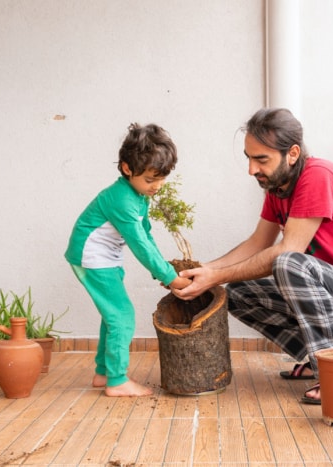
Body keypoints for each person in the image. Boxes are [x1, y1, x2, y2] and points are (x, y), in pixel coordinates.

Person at [173, 108, 333, 404]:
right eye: (249, 158)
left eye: (261, 159)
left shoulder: (318, 176)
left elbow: (286, 251)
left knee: (289, 263)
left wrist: (213, 277)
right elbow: (257, 244)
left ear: (292, 153)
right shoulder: (277, 189)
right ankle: (318, 354)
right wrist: (203, 269)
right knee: (238, 293)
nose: (252, 169)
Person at [65, 122, 191, 397]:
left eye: (161, 179)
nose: (157, 186)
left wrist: (165, 270)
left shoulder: (138, 194)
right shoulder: (121, 199)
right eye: (150, 180)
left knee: (112, 314)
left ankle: (104, 373)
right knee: (122, 315)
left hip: (105, 258)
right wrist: (170, 277)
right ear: (126, 168)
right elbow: (139, 246)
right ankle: (117, 380)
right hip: (91, 257)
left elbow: (145, 236)